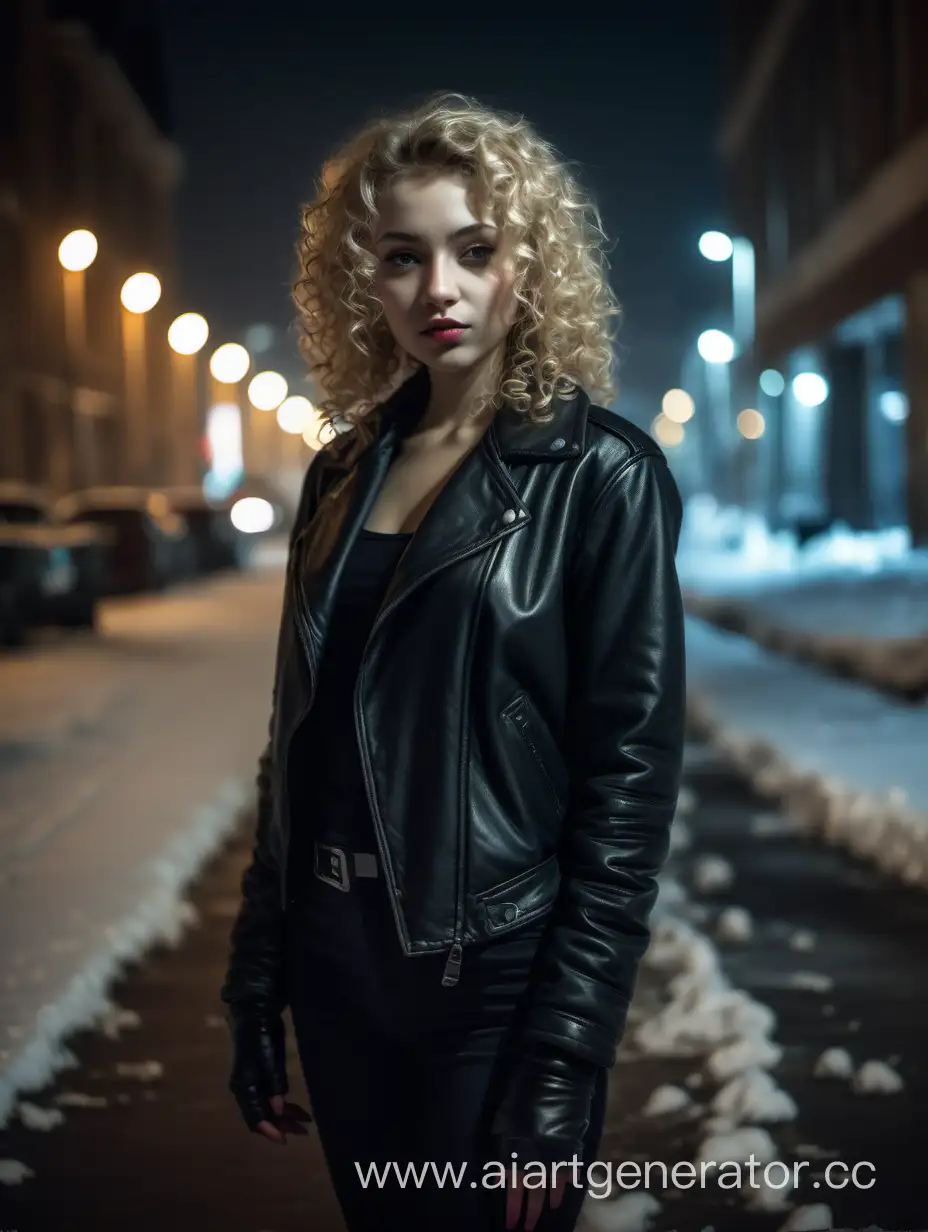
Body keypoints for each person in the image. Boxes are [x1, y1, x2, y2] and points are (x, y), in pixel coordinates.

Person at [220, 92, 686, 1232]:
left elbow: (625, 792)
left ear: (528, 262)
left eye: (476, 251)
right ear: (361, 279)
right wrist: (256, 982)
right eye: (402, 257)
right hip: (339, 970)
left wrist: (565, 1056)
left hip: (494, 977)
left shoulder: (600, 477)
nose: (440, 289)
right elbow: (300, 748)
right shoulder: (342, 475)